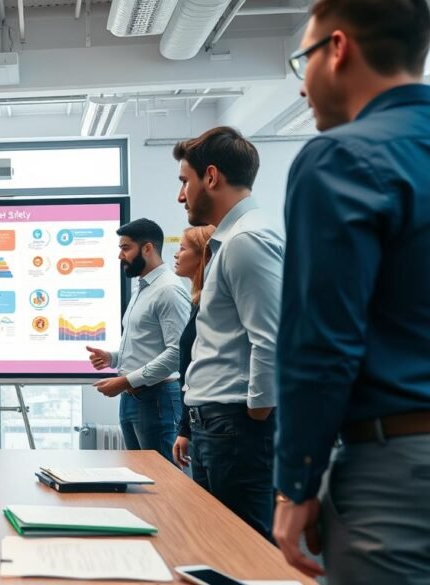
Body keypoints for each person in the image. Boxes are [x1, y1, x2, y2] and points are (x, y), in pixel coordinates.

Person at [272, 1, 430, 582]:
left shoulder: (341, 158)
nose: (303, 85)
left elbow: (323, 342)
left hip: (399, 477)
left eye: (301, 60)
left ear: (337, 50)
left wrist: (296, 484)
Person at [172, 126, 283, 539]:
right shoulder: (232, 238)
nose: (181, 195)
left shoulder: (246, 240)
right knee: (217, 547)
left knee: (242, 551)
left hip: (235, 423)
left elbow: (269, 339)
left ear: (212, 177)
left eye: (185, 182)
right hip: (219, 423)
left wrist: (255, 411)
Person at [86, 218, 190, 465]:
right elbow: (146, 345)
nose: (120, 256)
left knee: (165, 484)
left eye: (125, 248)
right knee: (141, 479)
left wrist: (125, 380)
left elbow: (177, 353)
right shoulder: (142, 288)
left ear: (147, 249)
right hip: (133, 400)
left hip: (157, 399)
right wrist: (113, 357)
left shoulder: (169, 290)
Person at [170, 225, 215, 468]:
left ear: (204, 255)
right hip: (199, 421)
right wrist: (186, 428)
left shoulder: (214, 303)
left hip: (218, 422)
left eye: (183, 249)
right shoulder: (197, 301)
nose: (176, 255)